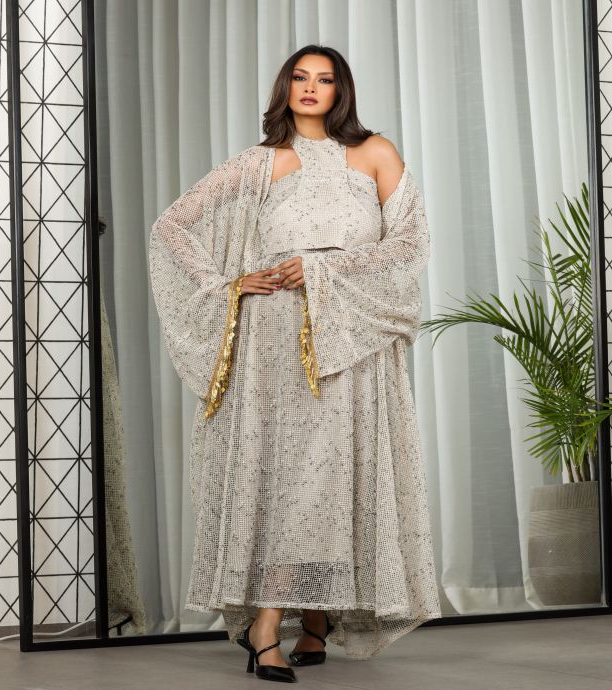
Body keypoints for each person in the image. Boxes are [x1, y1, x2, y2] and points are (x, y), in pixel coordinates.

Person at [149, 44, 442, 684]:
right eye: (301, 78)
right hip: (274, 343)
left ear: (341, 90)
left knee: (335, 479)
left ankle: (314, 618)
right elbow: (172, 226)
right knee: (290, 482)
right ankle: (269, 624)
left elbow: (411, 242)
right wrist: (228, 285)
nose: (311, 88)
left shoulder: (374, 152)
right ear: (285, 88)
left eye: (325, 79)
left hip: (353, 337)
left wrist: (325, 269)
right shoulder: (259, 163)